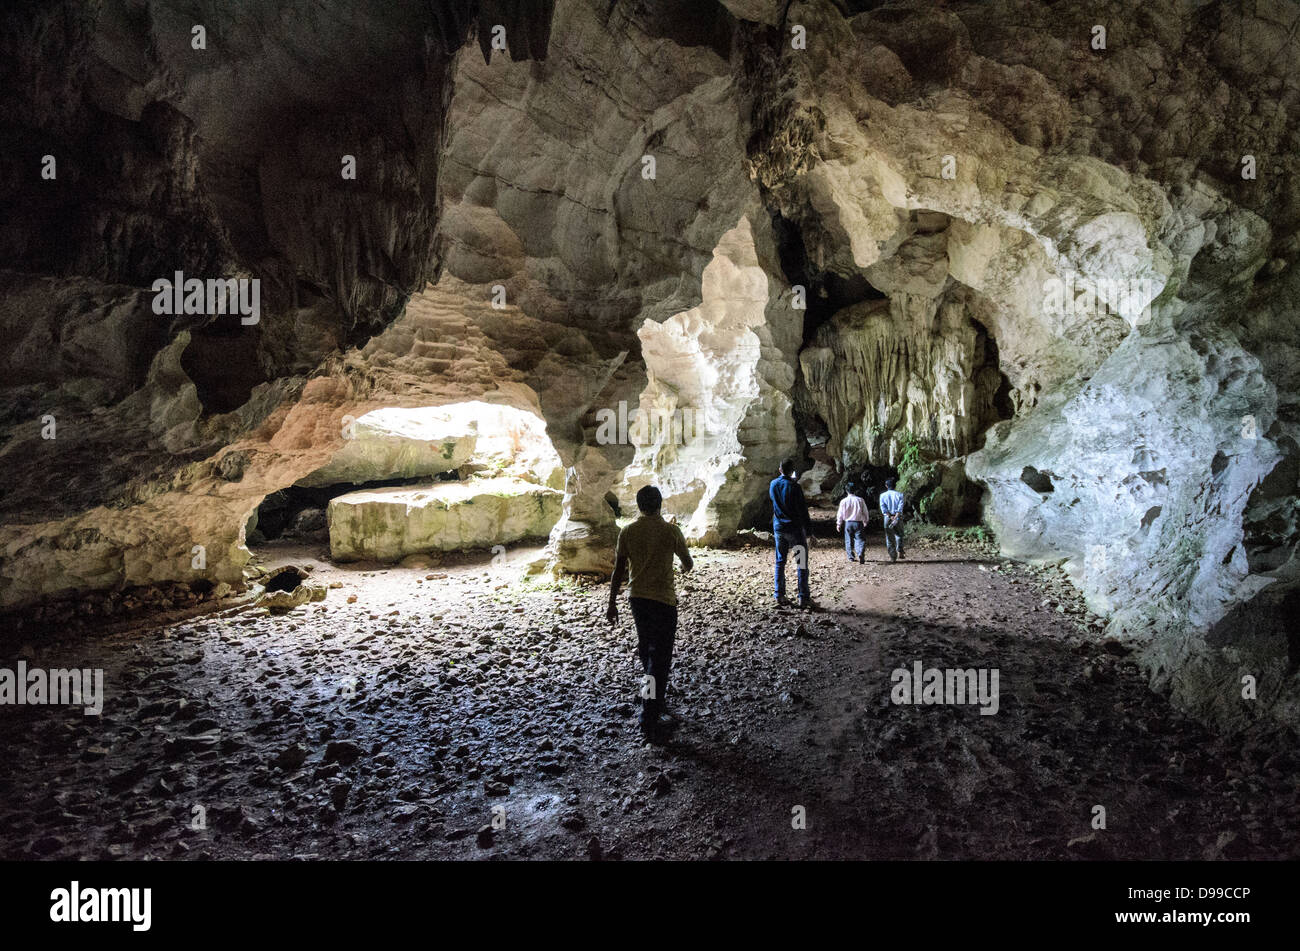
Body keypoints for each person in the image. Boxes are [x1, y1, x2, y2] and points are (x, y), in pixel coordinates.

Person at [607, 485, 693, 742]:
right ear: (660, 503)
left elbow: (618, 570)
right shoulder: (671, 530)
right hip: (663, 601)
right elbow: (687, 563)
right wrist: (681, 565)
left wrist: (612, 604)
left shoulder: (628, 531)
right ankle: (649, 718)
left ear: (638, 504)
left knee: (647, 651)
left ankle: (654, 700)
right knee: (660, 658)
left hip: (638, 601)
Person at [769, 458, 815, 608]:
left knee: (780, 561)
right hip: (795, 530)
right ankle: (803, 597)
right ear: (792, 471)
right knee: (801, 563)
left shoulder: (773, 484)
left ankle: (779, 594)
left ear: (780, 469)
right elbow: (802, 511)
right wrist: (809, 532)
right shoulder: (795, 487)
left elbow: (774, 503)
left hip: (779, 529)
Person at [836, 482, 870, 564]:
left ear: (846, 491)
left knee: (848, 540)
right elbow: (865, 512)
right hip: (858, 522)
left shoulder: (843, 501)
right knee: (860, 539)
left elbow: (840, 513)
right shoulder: (860, 500)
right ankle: (860, 552)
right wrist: (865, 520)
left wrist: (839, 524)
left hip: (848, 523)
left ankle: (851, 556)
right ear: (855, 491)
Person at [880, 477, 905, 562]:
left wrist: (890, 516)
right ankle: (900, 551)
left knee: (889, 537)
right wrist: (896, 516)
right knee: (899, 534)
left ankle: (893, 557)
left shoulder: (882, 495)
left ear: (886, 486)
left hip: (887, 518)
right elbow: (900, 507)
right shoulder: (900, 495)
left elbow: (883, 507)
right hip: (898, 517)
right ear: (895, 486)